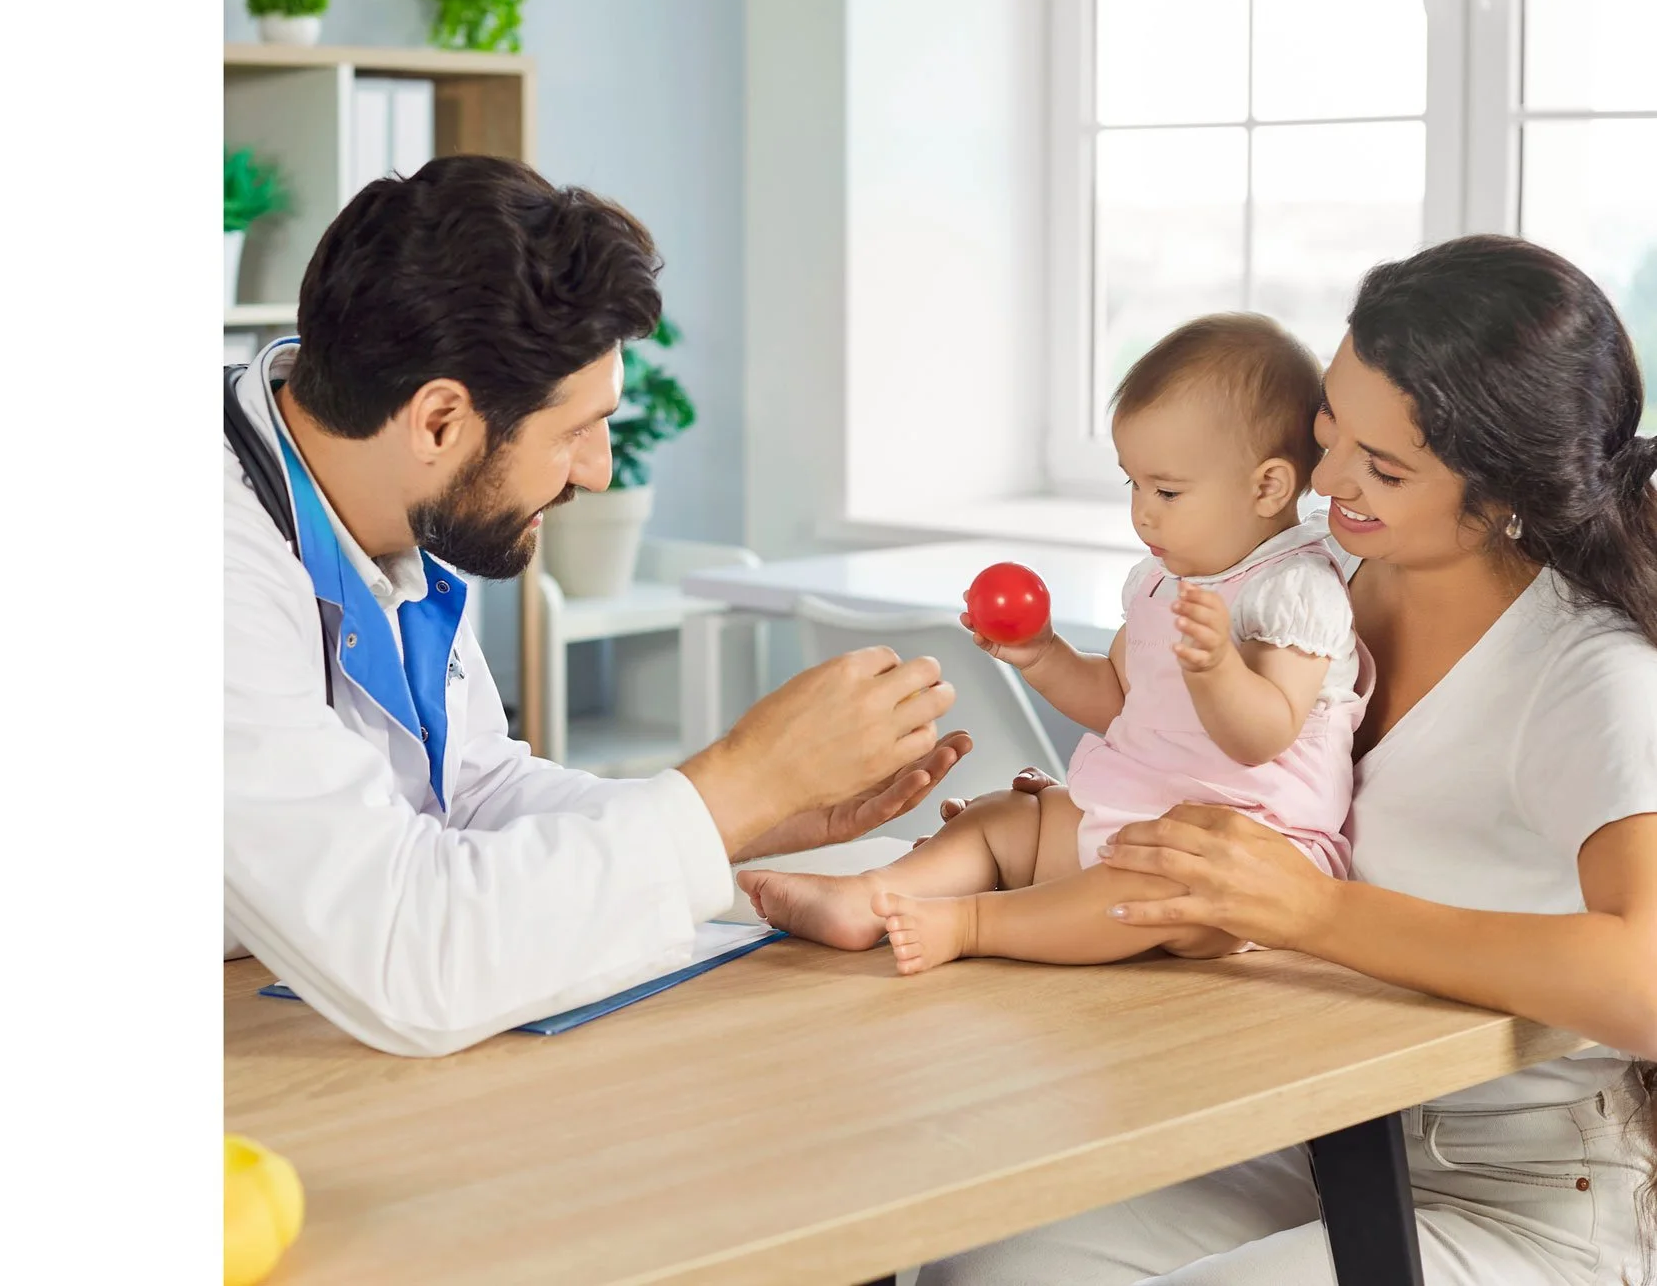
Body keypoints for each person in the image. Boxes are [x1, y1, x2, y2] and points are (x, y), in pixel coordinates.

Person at [922, 235, 1657, 1283]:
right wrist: (1097, 829)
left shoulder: (1588, 675)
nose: (1324, 477)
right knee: (987, 1267)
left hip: (1520, 1195)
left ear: (1504, 493)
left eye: (1383, 464)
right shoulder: (1330, 573)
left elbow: (1645, 977)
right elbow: (1255, 779)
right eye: (1328, 429)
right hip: (1326, 1125)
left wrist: (1309, 911)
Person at [224, 154, 965, 1058]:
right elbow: (411, 961)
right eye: (576, 429)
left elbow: (472, 792)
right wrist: (737, 784)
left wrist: (754, 814)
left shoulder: (373, 509)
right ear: (439, 422)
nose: (599, 469)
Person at [739, 314, 1368, 974]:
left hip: (1245, 860)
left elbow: (1263, 735)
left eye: (1168, 491)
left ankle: (970, 921)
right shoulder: (1161, 580)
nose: (1142, 512)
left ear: (1267, 486)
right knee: (1009, 819)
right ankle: (870, 896)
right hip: (1134, 814)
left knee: (1152, 888)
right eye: (1133, 483)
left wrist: (1217, 669)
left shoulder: (1293, 589)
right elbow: (1122, 704)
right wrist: (1045, 657)